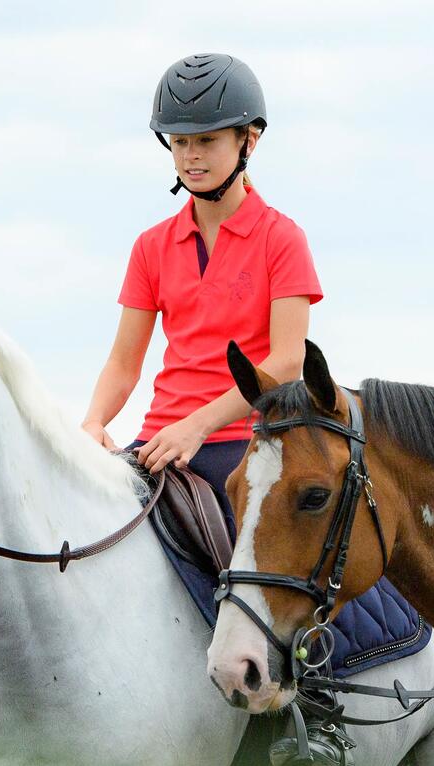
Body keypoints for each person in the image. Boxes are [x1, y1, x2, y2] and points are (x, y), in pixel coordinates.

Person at [82, 52, 322, 495]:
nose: (190, 157)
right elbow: (122, 363)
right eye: (179, 142)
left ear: (248, 141)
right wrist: (93, 422)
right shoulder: (150, 246)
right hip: (161, 440)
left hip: (248, 443)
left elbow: (287, 363)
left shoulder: (282, 239)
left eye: (206, 141)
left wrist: (196, 427)